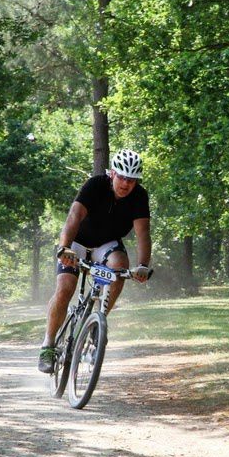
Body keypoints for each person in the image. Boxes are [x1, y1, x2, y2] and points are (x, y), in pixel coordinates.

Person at [38, 149, 152, 373]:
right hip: (77, 242)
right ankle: (48, 345)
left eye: (132, 180)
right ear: (112, 174)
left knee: (121, 267)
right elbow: (74, 216)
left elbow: (143, 233)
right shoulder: (95, 185)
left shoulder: (139, 196)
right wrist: (64, 248)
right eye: (122, 177)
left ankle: (98, 323)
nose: (126, 184)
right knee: (65, 289)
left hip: (106, 245)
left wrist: (144, 266)